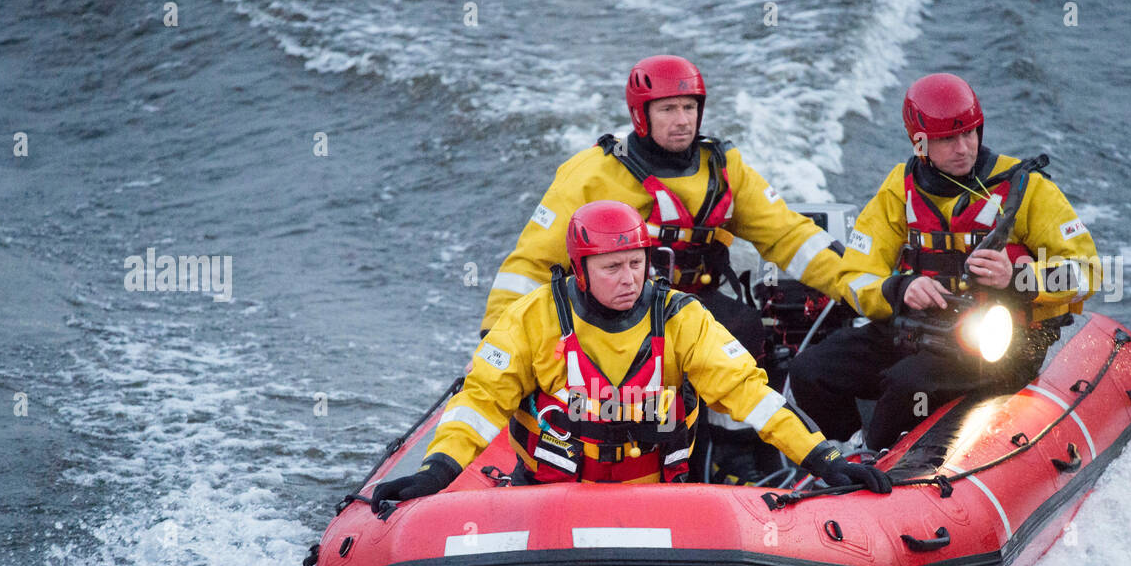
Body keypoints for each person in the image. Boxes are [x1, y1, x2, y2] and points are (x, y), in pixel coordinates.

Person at [478, 54, 890, 482]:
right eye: (668, 109)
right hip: (611, 307)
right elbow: (531, 262)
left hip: (691, 308)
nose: (682, 121)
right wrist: (494, 337)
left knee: (741, 328)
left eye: (689, 108)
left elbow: (788, 236)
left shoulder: (724, 170)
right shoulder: (593, 174)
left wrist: (870, 291)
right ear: (642, 116)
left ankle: (731, 458)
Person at [372, 201, 891, 507]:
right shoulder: (534, 318)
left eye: (636, 264)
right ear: (580, 271)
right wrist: (437, 472)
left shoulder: (681, 317)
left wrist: (822, 458)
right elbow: (482, 400)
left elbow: (751, 397)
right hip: (546, 502)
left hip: (658, 503)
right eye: (611, 267)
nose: (629, 279)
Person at [789, 72, 1100, 453]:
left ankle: (878, 457)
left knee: (906, 384)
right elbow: (854, 275)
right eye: (947, 139)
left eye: (969, 133)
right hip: (924, 330)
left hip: (998, 344)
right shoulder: (898, 189)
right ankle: (847, 451)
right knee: (811, 372)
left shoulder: (1027, 189)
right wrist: (899, 288)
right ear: (920, 144)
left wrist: (1018, 278)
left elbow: (1089, 271)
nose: (963, 148)